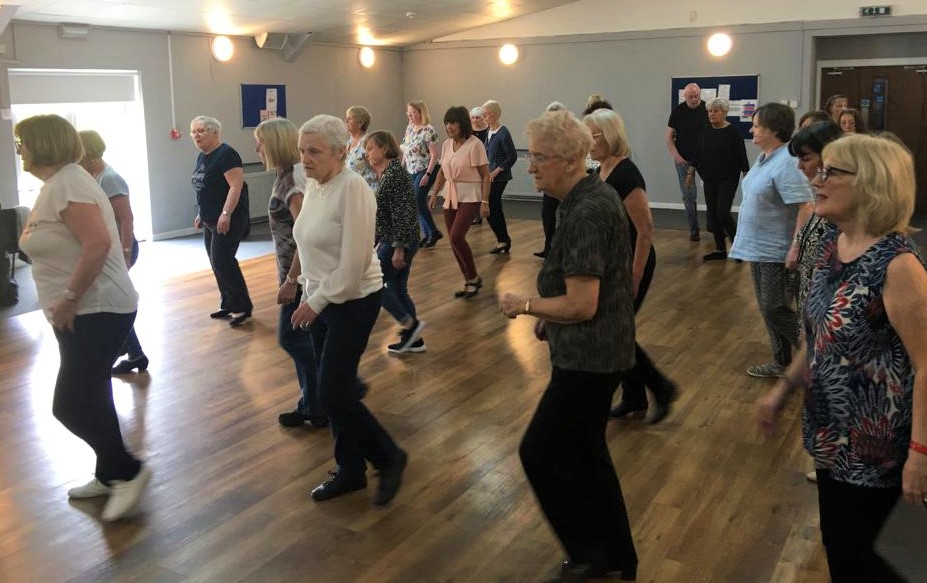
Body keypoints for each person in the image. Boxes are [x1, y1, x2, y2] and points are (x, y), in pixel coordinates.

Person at [758, 134, 927, 582]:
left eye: (831, 172)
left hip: (878, 449)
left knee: (867, 559)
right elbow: (819, 338)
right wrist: (780, 391)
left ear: (871, 183)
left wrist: (920, 453)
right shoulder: (838, 245)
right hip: (831, 433)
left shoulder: (898, 265)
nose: (817, 178)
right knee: (839, 545)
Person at [500, 109, 638, 582]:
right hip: (596, 350)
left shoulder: (586, 211)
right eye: (530, 156)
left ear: (571, 159)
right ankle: (618, 556)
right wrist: (550, 318)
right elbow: (581, 294)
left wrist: (528, 305)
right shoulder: (582, 200)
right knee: (586, 453)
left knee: (538, 452)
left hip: (591, 358)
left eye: (539, 158)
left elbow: (582, 305)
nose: (530, 167)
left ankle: (587, 554)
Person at [16, 114, 151, 522]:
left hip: (97, 308)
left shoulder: (70, 183)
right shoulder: (55, 185)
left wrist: (70, 297)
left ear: (43, 144)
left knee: (69, 404)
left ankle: (128, 470)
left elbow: (97, 244)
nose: (18, 149)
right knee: (93, 393)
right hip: (78, 311)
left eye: (22, 142)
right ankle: (108, 473)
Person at [291, 114, 407, 505]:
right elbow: (309, 243)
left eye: (314, 151)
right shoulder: (314, 184)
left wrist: (316, 301)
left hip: (354, 299)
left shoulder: (353, 188)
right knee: (334, 390)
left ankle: (388, 457)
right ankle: (350, 469)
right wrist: (299, 286)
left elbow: (355, 262)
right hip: (322, 297)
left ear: (342, 152)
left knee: (332, 393)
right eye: (302, 150)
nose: (305, 159)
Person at [584, 108, 677, 425]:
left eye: (592, 135)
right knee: (618, 332)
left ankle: (660, 387)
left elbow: (646, 229)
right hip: (612, 263)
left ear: (609, 136)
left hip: (631, 262)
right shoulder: (601, 170)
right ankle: (636, 396)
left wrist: (634, 275)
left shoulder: (626, 173)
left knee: (614, 332)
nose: (588, 142)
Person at [253, 117, 328, 430]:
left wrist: (291, 281)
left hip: (300, 277)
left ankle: (334, 386)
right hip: (297, 274)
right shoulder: (290, 174)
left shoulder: (291, 181)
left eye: (260, 142)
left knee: (291, 339)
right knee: (303, 341)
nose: (256, 148)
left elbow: (305, 233)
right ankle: (313, 405)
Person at [729, 103, 814, 378]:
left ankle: (815, 358)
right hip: (759, 247)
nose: (751, 129)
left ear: (773, 129)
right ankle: (781, 362)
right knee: (769, 309)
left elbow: (805, 206)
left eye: (756, 125)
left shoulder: (788, 162)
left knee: (774, 307)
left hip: (777, 250)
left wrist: (796, 246)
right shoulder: (767, 156)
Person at [787, 119, 843, 483]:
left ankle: (836, 460)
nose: (801, 166)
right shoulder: (820, 201)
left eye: (805, 158)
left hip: (832, 319)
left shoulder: (840, 210)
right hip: (813, 305)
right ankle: (828, 458)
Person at [77, 130, 148, 374]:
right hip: (110, 250)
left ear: (87, 153)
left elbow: (126, 219)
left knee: (114, 305)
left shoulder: (109, 179)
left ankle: (119, 350)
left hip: (120, 249)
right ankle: (136, 354)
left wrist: (126, 254)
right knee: (113, 304)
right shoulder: (93, 176)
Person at [365, 129, 426, 354]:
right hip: (396, 240)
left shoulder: (395, 175)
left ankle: (410, 325)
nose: (368, 154)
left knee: (373, 284)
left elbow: (403, 213)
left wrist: (399, 248)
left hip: (400, 241)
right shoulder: (388, 174)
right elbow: (387, 214)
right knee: (398, 288)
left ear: (384, 148)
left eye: (371, 148)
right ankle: (415, 339)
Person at [190, 115, 253, 327]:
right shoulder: (203, 156)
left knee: (223, 261)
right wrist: (201, 212)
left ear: (215, 132)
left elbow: (236, 186)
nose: (196, 136)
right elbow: (204, 188)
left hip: (228, 218)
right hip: (209, 219)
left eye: (201, 131)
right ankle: (228, 302)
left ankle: (242, 306)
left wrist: (225, 214)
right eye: (193, 132)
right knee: (215, 262)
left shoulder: (226, 154)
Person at [428, 106, 491, 299]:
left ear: (462, 123)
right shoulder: (446, 144)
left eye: (453, 122)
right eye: (447, 123)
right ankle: (470, 280)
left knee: (456, 236)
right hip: (451, 194)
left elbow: (486, 176)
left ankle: (472, 277)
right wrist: (434, 194)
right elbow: (441, 171)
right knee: (453, 240)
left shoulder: (475, 145)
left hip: (470, 195)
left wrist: (485, 201)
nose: (449, 126)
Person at [686, 97, 750, 261]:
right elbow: (698, 153)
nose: (712, 114)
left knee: (723, 213)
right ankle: (720, 249)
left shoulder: (732, 132)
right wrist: (690, 173)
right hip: (709, 177)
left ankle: (739, 248)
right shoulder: (706, 130)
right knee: (712, 214)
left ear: (724, 113)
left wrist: (747, 177)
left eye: (715, 111)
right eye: (709, 111)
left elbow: (741, 155)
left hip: (728, 178)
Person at [666, 83, 707, 241]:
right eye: (691, 96)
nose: (694, 99)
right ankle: (693, 230)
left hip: (705, 158)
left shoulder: (707, 109)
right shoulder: (678, 111)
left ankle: (715, 227)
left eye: (697, 96)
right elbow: (669, 136)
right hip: (684, 159)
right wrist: (676, 155)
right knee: (689, 195)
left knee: (712, 192)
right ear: (685, 96)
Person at [400, 101, 442, 248]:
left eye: (412, 113)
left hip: (426, 169)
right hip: (412, 169)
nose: (409, 115)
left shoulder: (428, 130)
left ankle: (433, 231)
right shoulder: (410, 128)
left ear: (420, 113)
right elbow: (406, 149)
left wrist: (428, 175)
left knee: (417, 199)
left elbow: (434, 155)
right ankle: (427, 234)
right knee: (415, 202)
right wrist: (401, 167)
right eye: (408, 113)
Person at [481, 100, 517, 255]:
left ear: (493, 114)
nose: (483, 117)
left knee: (491, 206)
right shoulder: (488, 132)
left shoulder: (503, 133)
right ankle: (503, 239)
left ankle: (503, 240)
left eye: (485, 114)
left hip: (499, 177)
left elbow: (512, 156)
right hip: (489, 177)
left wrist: (496, 171)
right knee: (490, 208)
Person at [534, 101, 567, 259]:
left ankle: (562, 249)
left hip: (565, 181)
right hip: (551, 183)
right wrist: (540, 180)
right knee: (547, 214)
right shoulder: (545, 136)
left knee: (565, 216)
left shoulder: (569, 134)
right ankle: (549, 247)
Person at [345, 105, 378, 189]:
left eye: (350, 118)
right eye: (346, 118)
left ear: (360, 123)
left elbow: (378, 169)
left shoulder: (368, 142)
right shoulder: (348, 143)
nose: (346, 121)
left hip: (367, 191)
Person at [470, 106, 489, 226]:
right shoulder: (469, 132)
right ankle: (475, 214)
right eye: (473, 118)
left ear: (483, 118)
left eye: (477, 118)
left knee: (484, 187)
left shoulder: (488, 131)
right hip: (472, 163)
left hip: (485, 162)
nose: (475, 120)